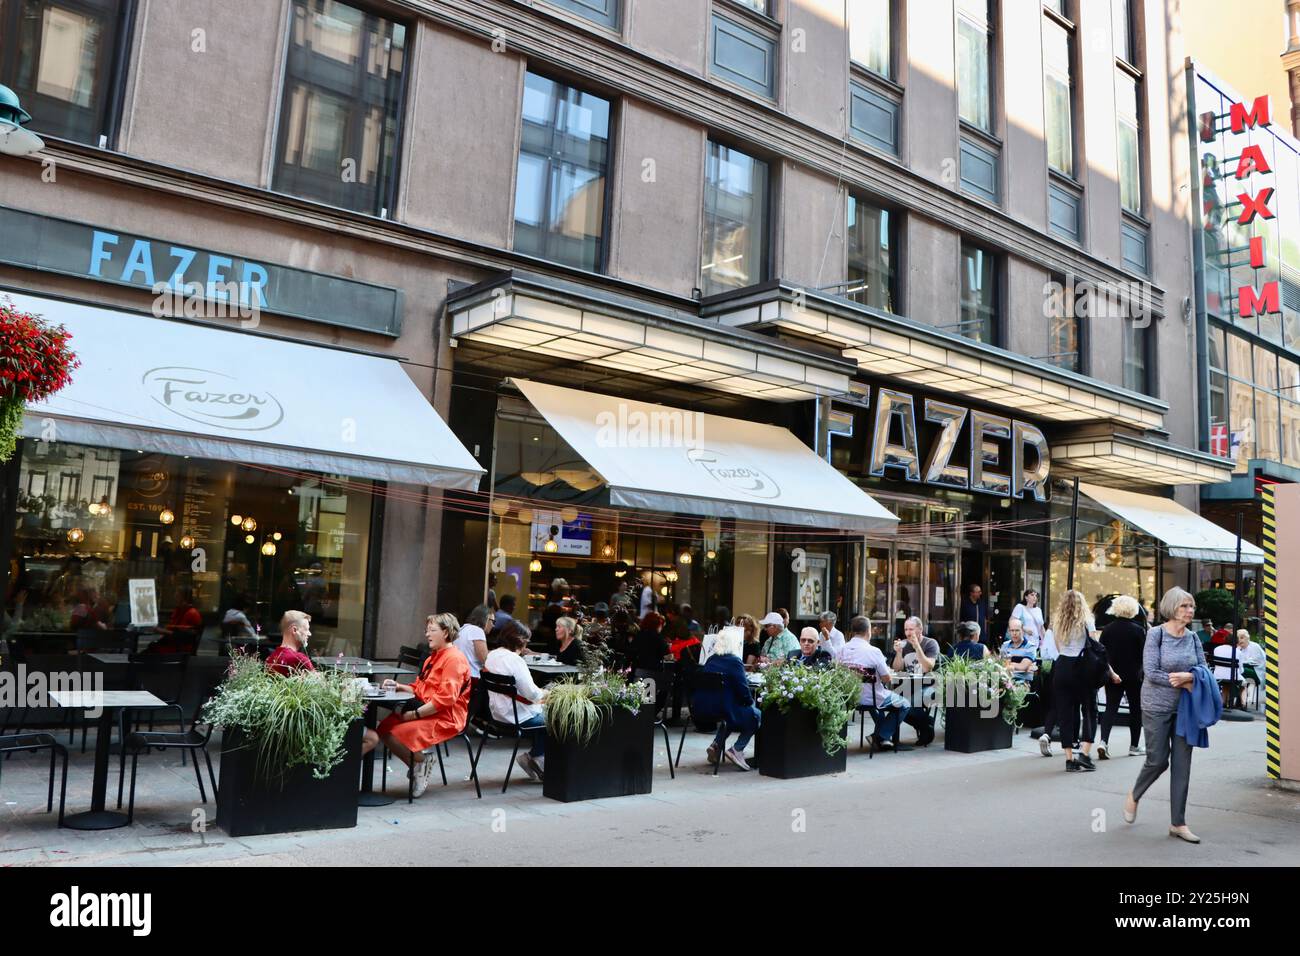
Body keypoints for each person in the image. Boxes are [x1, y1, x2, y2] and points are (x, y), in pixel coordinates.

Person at [1125, 587, 1209, 843]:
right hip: (1155, 706)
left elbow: (1203, 668)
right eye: (1185, 606)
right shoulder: (1155, 634)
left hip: (1186, 709)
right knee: (1158, 760)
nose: (1190, 611)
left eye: (1191, 606)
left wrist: (1191, 677)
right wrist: (1182, 681)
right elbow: (1151, 672)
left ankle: (1178, 823)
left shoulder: (1193, 637)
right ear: (1172, 608)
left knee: (1183, 765)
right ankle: (1134, 795)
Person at [365, 613, 471, 798]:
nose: (427, 634)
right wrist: (399, 686)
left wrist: (414, 715)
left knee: (394, 733)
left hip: (446, 716)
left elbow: (445, 700)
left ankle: (420, 764)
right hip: (427, 709)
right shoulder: (433, 657)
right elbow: (419, 688)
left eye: (432, 630)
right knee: (384, 728)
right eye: (427, 630)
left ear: (445, 633)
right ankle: (421, 763)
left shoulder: (454, 659)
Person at [1051, 590, 1120, 773]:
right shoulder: (1087, 621)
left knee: (1065, 713)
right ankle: (1084, 754)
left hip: (1062, 667)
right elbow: (1096, 650)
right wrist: (1111, 673)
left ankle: (1069, 759)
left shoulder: (1057, 623)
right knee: (1090, 710)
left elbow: (1059, 647)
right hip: (1082, 668)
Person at [484, 622, 549, 782]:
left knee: (546, 716)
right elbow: (532, 694)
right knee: (557, 719)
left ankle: (534, 757)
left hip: (497, 715)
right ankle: (537, 758)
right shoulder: (515, 660)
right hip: (518, 717)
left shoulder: (492, 655)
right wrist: (547, 692)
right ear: (520, 641)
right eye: (526, 641)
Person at [689, 626, 760, 770]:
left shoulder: (711, 659)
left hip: (701, 709)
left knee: (731, 713)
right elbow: (743, 691)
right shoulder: (734, 661)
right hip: (722, 710)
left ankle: (716, 745)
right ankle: (737, 749)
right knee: (756, 715)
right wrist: (750, 703)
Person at [839, 615, 911, 749]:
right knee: (904, 703)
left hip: (850, 698)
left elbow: (839, 672)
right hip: (872, 698)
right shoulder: (873, 651)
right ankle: (880, 736)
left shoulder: (842, 649)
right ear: (868, 631)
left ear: (853, 631)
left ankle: (883, 738)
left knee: (879, 702)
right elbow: (886, 679)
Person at [1099, 595, 1146, 759]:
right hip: (1134, 676)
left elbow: (1101, 653)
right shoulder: (1139, 630)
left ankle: (1103, 741)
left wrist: (1110, 671)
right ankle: (1134, 745)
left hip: (1113, 674)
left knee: (1110, 708)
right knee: (1135, 710)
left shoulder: (1107, 629)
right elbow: (1144, 655)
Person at [266, 610, 316, 675]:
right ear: (294, 630)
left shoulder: (271, 658)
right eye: (306, 629)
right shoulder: (300, 659)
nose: (309, 634)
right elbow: (320, 683)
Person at [1228, 629, 1268, 707]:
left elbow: (1257, 661)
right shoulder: (1238, 648)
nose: (1240, 640)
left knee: (1239, 672)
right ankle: (1239, 700)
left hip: (1257, 671)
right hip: (1244, 670)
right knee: (1237, 673)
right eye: (1238, 638)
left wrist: (1243, 662)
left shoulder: (1255, 646)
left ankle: (1237, 699)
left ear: (1247, 638)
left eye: (1242, 637)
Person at [455, 604, 491, 680]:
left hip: (458, 675)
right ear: (486, 619)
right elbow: (485, 660)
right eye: (492, 621)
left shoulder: (462, 629)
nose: (493, 625)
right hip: (472, 679)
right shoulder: (477, 630)